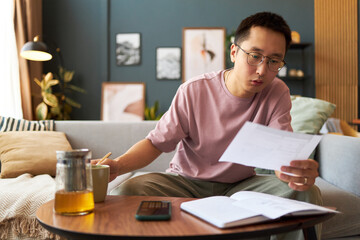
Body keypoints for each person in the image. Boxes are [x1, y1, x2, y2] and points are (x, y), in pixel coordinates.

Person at [92, 12, 322, 240]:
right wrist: (118, 165)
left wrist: (294, 173)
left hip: (241, 186)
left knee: (306, 194)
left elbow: (279, 156)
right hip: (185, 183)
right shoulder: (194, 90)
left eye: (274, 61)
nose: (262, 70)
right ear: (234, 52)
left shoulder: (277, 91)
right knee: (127, 191)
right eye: (254, 56)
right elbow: (155, 143)